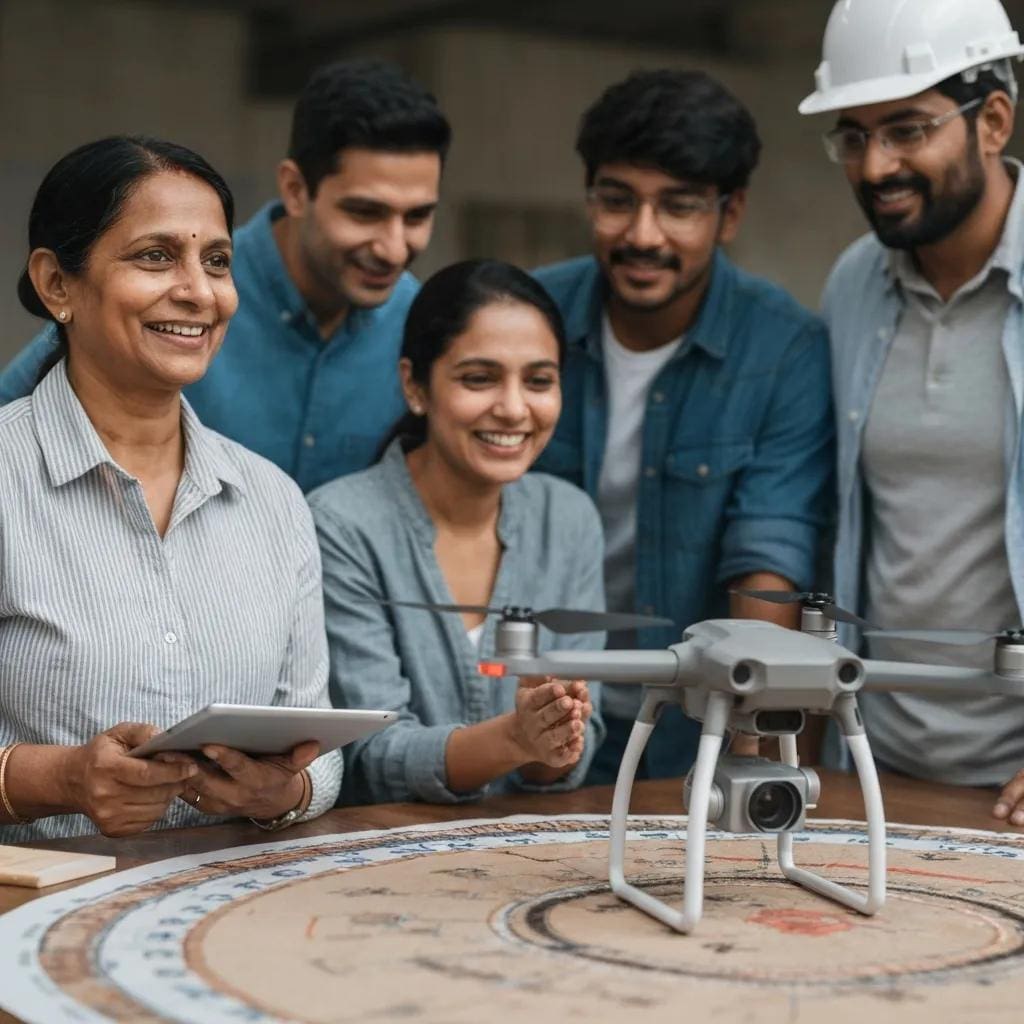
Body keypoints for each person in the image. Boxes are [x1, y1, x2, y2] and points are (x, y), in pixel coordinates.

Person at [0, 136, 342, 842]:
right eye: (156, 256)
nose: (198, 291)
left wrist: (286, 787)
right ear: (56, 284)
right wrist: (59, 780)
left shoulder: (273, 501)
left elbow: (321, 750)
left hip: (226, 920)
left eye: (216, 261)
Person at [533, 70, 834, 783]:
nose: (643, 235)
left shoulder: (785, 348)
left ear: (729, 214)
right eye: (617, 201)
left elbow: (770, 561)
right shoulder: (528, 315)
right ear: (588, 197)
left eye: (678, 207)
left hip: (690, 734)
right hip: (528, 723)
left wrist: (745, 755)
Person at [0, 59, 451, 493]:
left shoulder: (425, 325)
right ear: (295, 189)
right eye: (364, 212)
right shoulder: (166, 298)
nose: (393, 248)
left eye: (416, 217)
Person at [800, 0, 1024, 823]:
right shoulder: (855, 282)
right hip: (873, 759)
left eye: (906, 130)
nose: (874, 166)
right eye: (853, 137)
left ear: (993, 119)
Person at [308, 260, 605, 805]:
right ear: (414, 385)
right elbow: (371, 756)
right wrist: (516, 737)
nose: (514, 408)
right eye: (479, 378)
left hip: (526, 856)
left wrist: (553, 737)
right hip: (372, 859)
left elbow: (576, 751)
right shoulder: (340, 524)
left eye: (539, 381)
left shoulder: (568, 519)